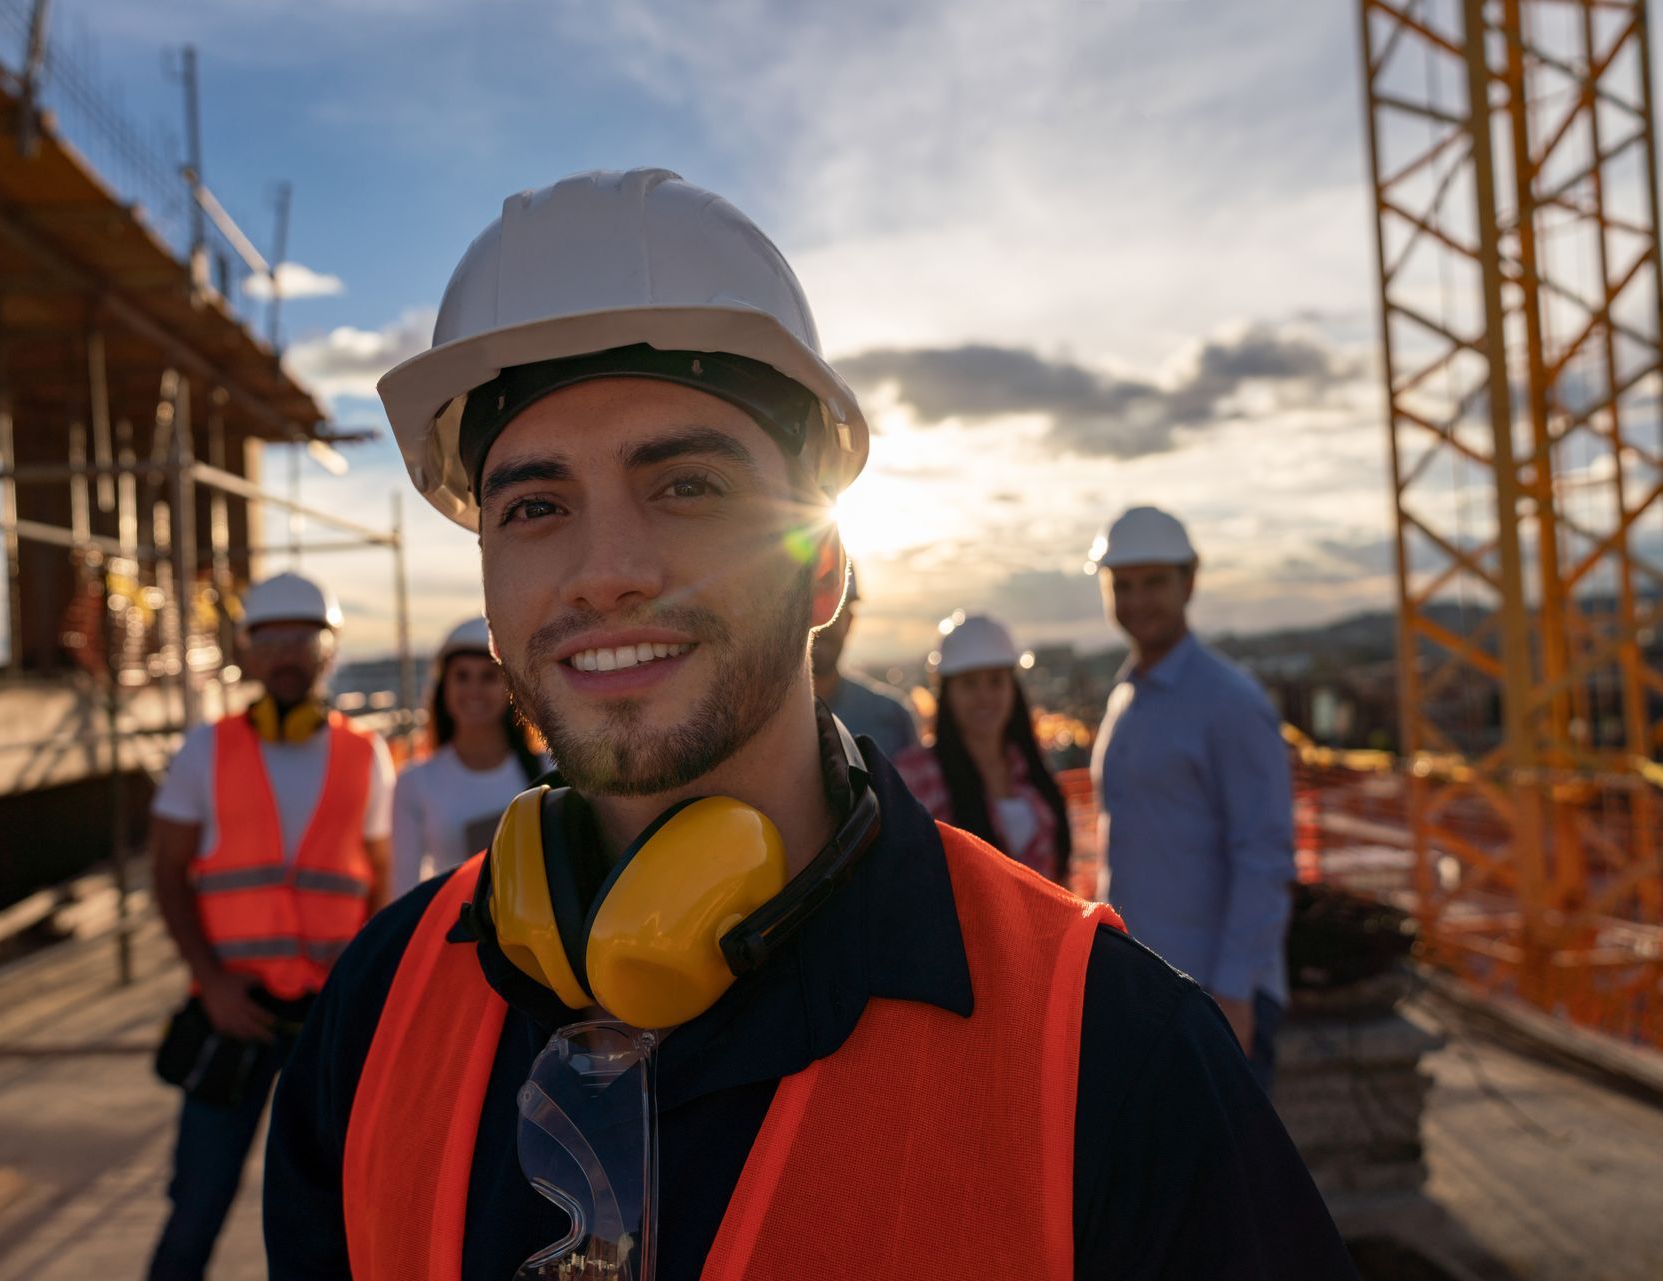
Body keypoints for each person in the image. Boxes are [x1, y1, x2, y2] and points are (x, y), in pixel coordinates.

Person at [264, 169, 1353, 1280]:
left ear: (824, 563)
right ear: (491, 589)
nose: (606, 574)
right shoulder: (375, 1022)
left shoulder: (1109, 1057)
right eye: (535, 508)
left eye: (687, 487)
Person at [145, 571, 395, 1281]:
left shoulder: (366, 755)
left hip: (329, 1020)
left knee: (336, 1212)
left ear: (328, 650)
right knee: (196, 1206)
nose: (286, 653)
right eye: (271, 638)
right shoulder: (204, 750)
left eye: (302, 639)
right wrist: (212, 982)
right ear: (249, 652)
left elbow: (381, 885)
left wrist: (363, 995)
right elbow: (166, 872)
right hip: (235, 1013)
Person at [1088, 505, 1297, 1092]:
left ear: (1190, 581)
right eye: (1122, 586)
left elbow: (1264, 855)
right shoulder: (1127, 699)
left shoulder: (1228, 702)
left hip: (1211, 996)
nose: (1137, 601)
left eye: (1154, 582)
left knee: (1226, 1183)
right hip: (1150, 989)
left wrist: (1233, 994)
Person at [895, 614, 1070, 884]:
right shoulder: (914, 776)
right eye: (969, 683)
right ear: (947, 693)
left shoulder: (1029, 765)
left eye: (996, 681)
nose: (984, 696)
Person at [387, 616, 547, 901]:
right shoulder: (415, 783)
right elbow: (404, 893)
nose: (474, 690)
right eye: (462, 676)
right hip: (457, 939)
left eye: (488, 677)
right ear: (443, 688)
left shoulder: (549, 771)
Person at [810, 567, 919, 757]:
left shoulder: (893, 719)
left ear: (850, 621)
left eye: (832, 613)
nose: (822, 627)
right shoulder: (751, 721)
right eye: (809, 611)